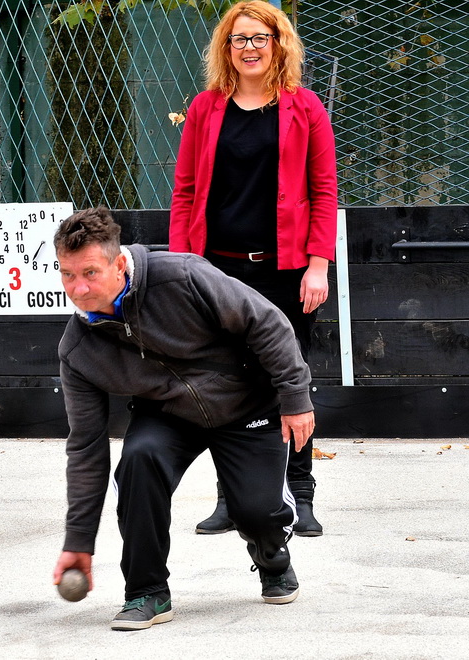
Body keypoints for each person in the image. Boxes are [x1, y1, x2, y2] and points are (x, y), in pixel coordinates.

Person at [51, 207, 314, 630]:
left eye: (90, 273)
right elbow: (86, 448)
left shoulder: (182, 276)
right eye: (67, 275)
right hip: (168, 414)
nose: (78, 288)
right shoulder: (78, 349)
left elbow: (266, 322)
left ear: (119, 264)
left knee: (257, 511)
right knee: (138, 462)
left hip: (246, 401)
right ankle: (146, 591)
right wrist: (78, 541)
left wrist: (295, 397)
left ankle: (271, 554)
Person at [170, 0, 337, 537]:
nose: (249, 48)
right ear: (226, 47)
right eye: (239, 39)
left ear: (278, 44)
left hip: (286, 271)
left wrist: (318, 265)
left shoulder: (305, 108)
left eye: (259, 38)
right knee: (225, 381)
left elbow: (322, 190)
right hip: (219, 270)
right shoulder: (205, 109)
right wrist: (183, 267)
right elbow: (186, 192)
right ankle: (232, 496)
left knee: (291, 377)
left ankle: (300, 495)